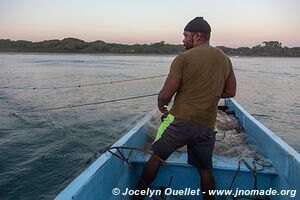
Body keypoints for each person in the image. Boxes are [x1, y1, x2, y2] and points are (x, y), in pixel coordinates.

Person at [134, 17, 236, 200]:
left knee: (157, 157)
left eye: (186, 35)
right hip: (206, 125)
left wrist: (160, 104)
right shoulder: (225, 59)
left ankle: (137, 197)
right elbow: (230, 91)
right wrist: (208, 91)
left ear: (198, 36)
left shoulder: (183, 58)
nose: (183, 40)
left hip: (182, 122)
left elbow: (166, 94)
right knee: (205, 170)